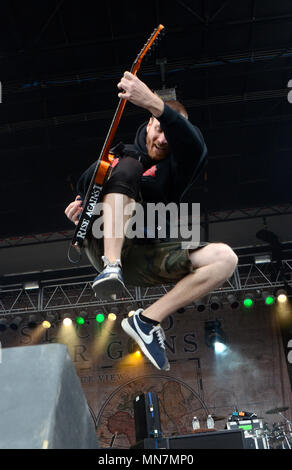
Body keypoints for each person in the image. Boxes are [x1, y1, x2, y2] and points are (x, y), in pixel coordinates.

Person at [65, 71, 238, 371]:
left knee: (225, 258)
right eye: (158, 129)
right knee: (127, 167)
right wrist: (80, 211)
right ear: (148, 124)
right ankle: (111, 264)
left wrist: (153, 102)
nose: (161, 140)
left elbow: (197, 147)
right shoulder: (122, 155)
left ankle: (146, 321)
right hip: (103, 243)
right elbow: (85, 185)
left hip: (143, 255)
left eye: (169, 136)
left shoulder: (178, 167)